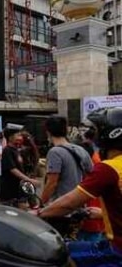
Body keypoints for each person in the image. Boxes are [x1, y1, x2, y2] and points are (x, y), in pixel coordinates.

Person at [36, 107, 122, 265]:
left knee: (59, 254)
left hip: (116, 249)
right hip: (86, 216)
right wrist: (103, 213)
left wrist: (39, 212)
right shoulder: (80, 150)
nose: (94, 136)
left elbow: (65, 198)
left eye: (96, 130)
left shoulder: (109, 168)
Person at [40, 115, 93, 204]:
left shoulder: (55, 152)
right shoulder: (80, 149)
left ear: (48, 132)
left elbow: (52, 183)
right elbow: (91, 174)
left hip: (61, 206)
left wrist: (41, 204)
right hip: (79, 204)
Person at [0, 124, 39, 207]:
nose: (20, 137)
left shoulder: (16, 150)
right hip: (9, 193)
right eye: (18, 135)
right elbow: (13, 169)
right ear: (10, 137)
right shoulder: (7, 151)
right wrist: (29, 180)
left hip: (18, 191)